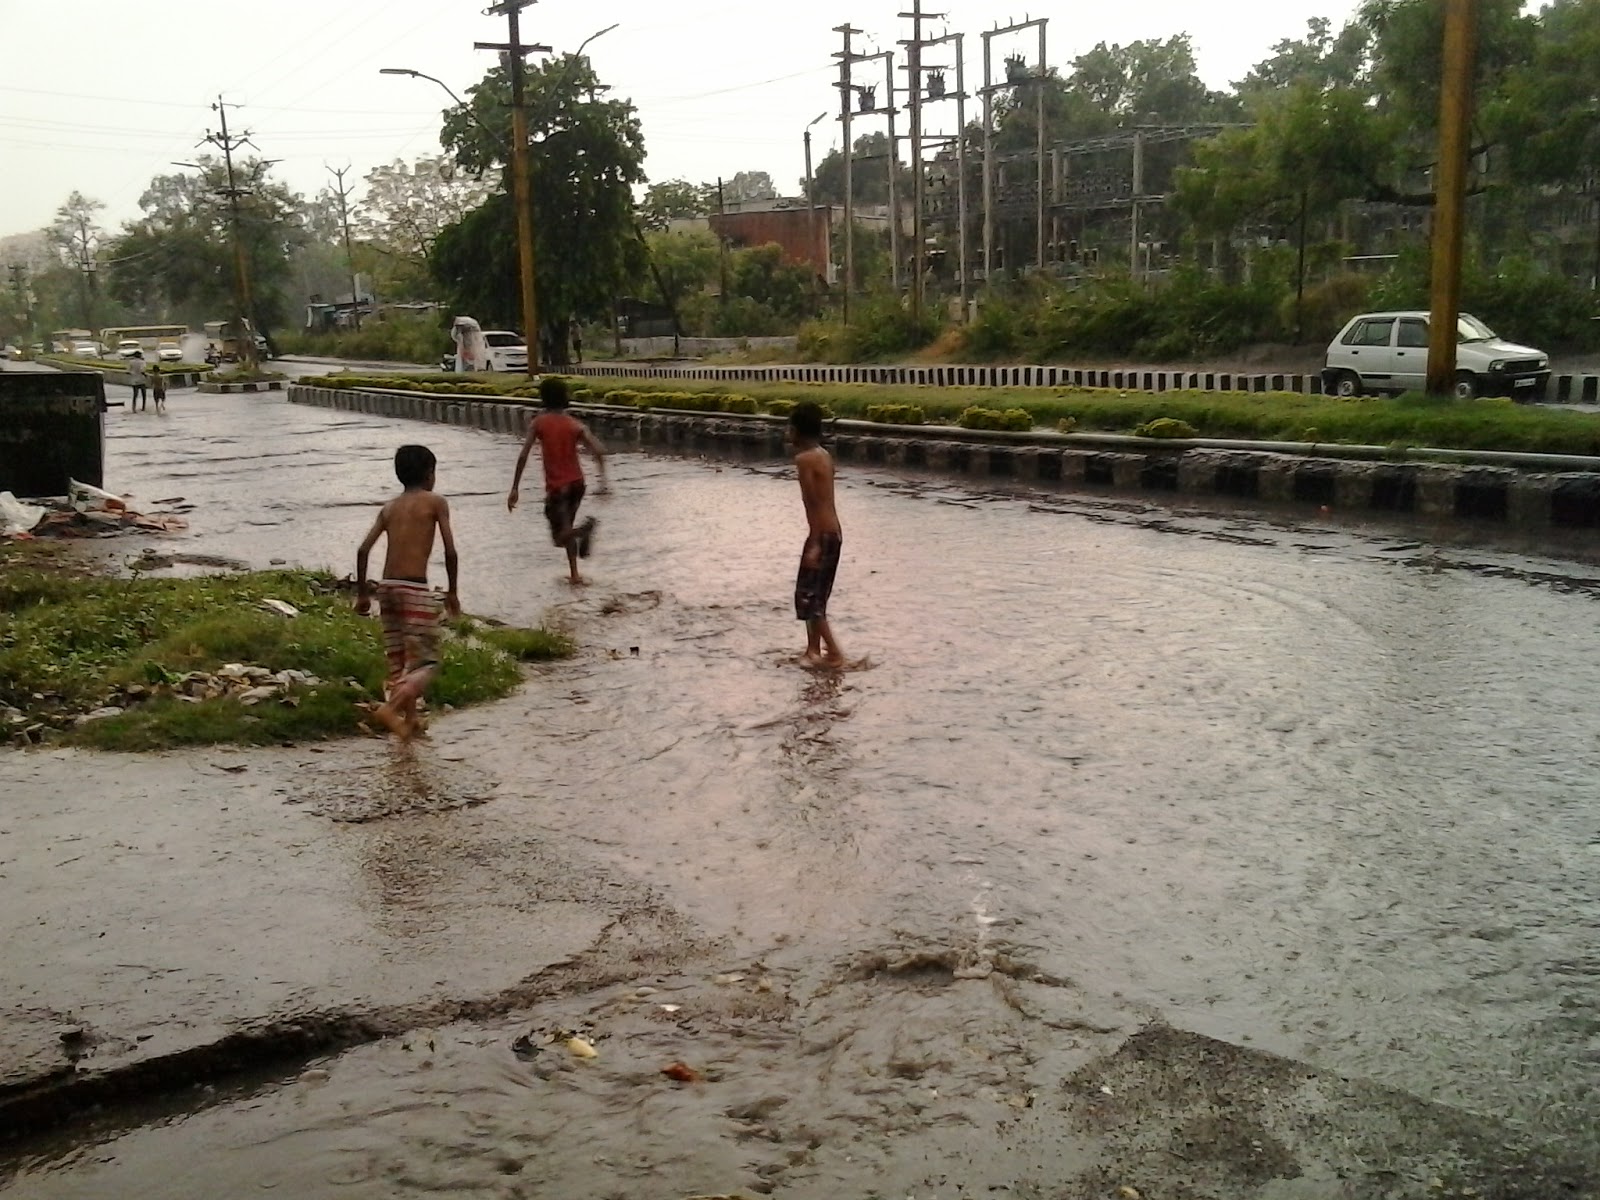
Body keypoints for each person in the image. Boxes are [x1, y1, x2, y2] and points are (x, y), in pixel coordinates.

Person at [355, 444, 461, 741]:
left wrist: (363, 594)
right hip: (414, 587)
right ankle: (389, 709)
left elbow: (363, 550)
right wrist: (452, 591)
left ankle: (410, 720)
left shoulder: (389, 507)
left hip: (386, 589)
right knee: (427, 662)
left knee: (400, 658)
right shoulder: (436, 502)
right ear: (430, 473)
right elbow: (450, 551)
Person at [507, 376, 609, 585]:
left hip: (558, 487)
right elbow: (598, 450)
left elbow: (523, 455)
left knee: (558, 537)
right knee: (566, 528)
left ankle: (585, 529)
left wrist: (515, 488)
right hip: (577, 484)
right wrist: (603, 482)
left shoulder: (539, 423)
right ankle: (574, 575)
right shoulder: (574, 424)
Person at [789, 401, 846, 668]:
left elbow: (812, 503)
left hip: (821, 534)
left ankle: (834, 653)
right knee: (817, 595)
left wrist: (813, 544)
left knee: (809, 598)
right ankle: (813, 650)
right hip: (833, 532)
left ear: (797, 430)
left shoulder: (804, 459)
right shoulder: (823, 455)